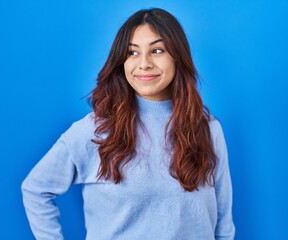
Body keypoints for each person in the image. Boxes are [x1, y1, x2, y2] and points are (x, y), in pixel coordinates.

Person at [21, 8, 235, 240]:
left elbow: (223, 223)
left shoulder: (207, 129)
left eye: (157, 50)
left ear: (177, 57)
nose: (144, 63)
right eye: (132, 53)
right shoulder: (95, 131)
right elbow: (35, 189)